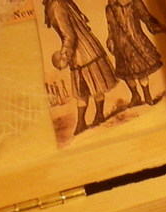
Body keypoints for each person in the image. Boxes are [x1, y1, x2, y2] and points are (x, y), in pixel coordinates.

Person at [43, 0, 118, 135]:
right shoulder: (59, 3)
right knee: (91, 86)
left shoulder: (56, 6)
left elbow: (69, 36)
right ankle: (89, 119)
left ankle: (86, 121)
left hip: (82, 53)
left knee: (87, 87)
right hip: (87, 49)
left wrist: (65, 57)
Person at [105, 0, 166, 107]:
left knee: (141, 70)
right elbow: (111, 27)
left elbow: (146, 17)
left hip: (136, 41)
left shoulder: (135, 3)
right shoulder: (110, 8)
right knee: (127, 73)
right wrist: (110, 39)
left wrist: (156, 26)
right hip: (120, 46)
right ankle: (135, 96)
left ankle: (147, 96)